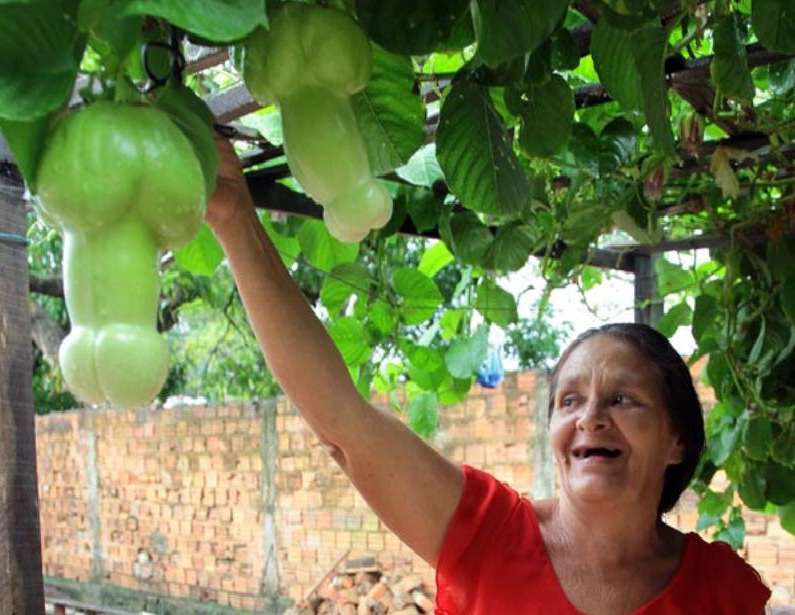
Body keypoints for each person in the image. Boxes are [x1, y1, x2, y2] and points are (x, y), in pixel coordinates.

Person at [205, 136, 771, 615]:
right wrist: (234, 220)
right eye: (569, 400)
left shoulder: (724, 592)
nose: (590, 418)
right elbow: (342, 421)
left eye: (622, 398)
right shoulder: (486, 534)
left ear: (676, 439)